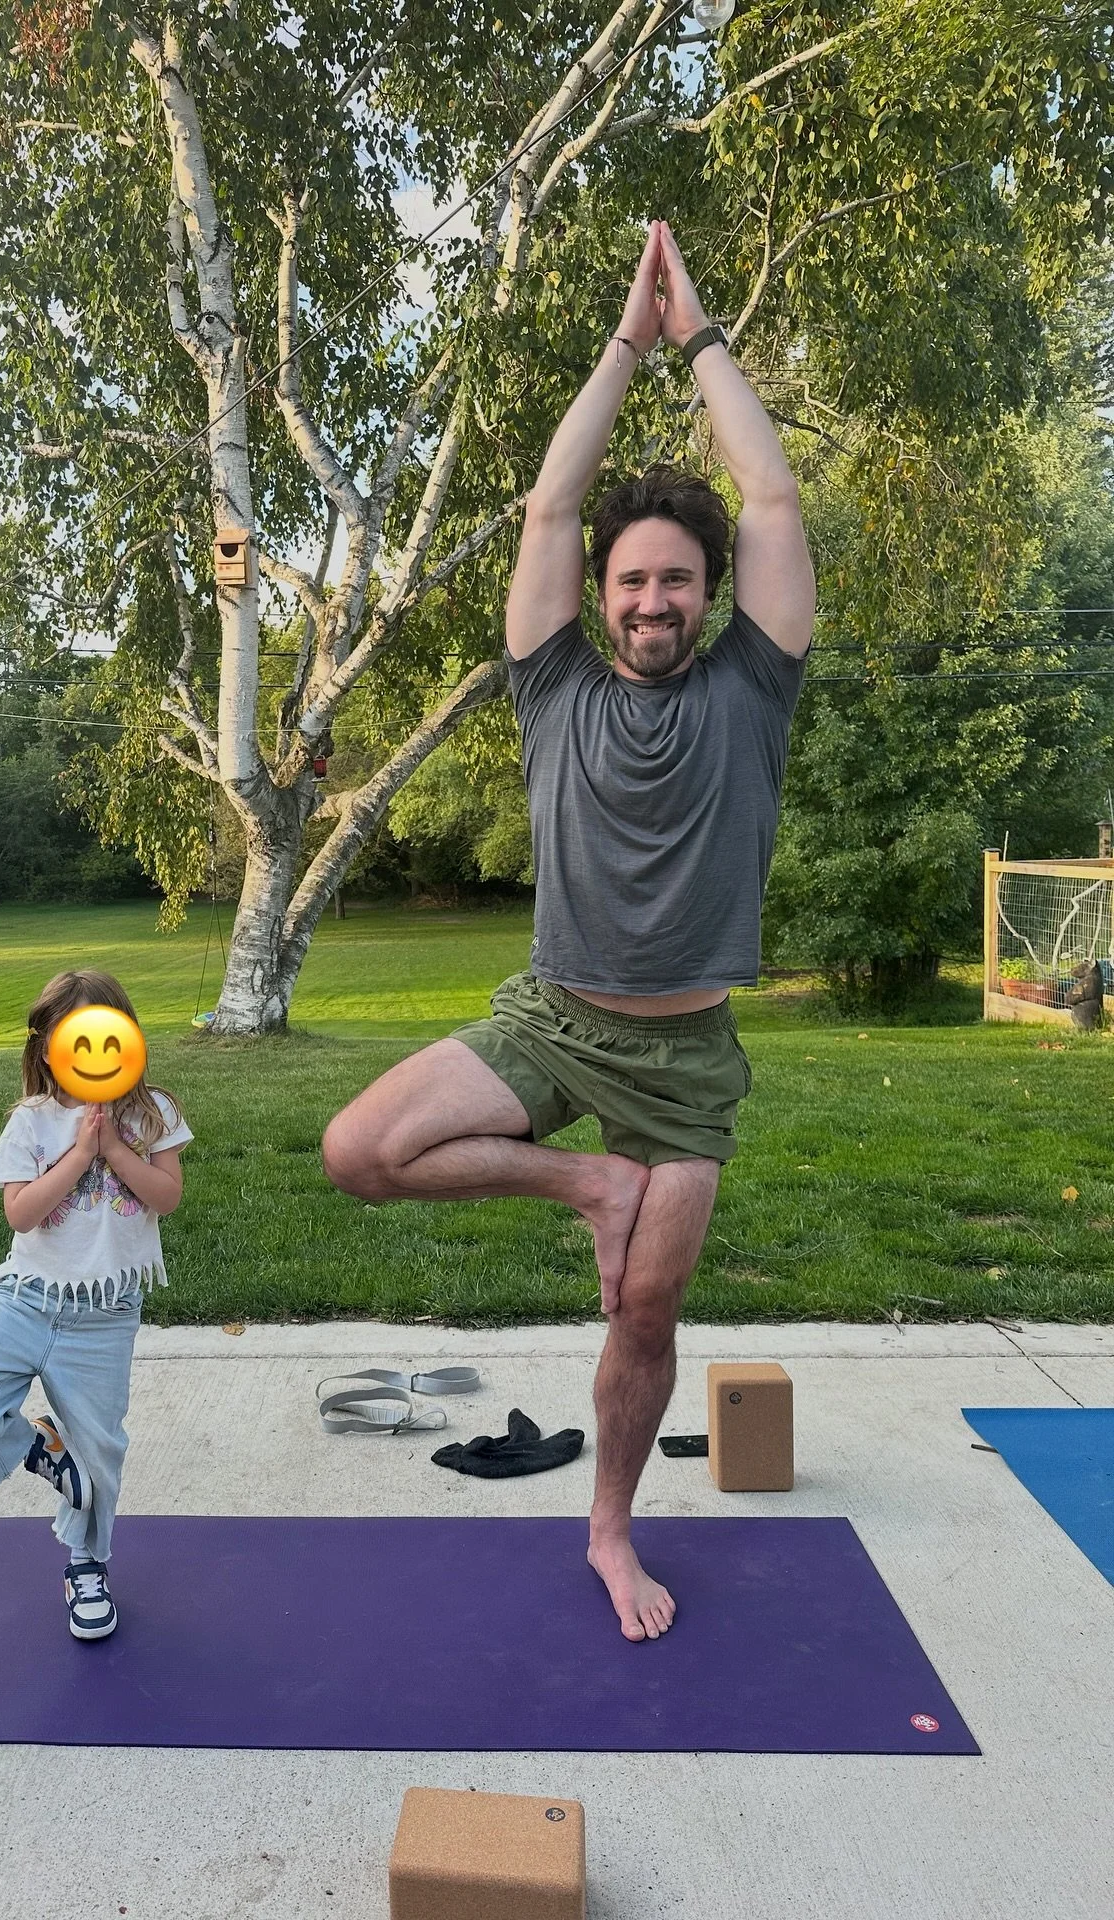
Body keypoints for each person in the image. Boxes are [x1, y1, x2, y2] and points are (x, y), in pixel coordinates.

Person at [322, 220, 815, 1642]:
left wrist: (703, 331)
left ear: (706, 597)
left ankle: (609, 1530)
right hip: (551, 1018)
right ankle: (587, 1188)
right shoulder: (552, 684)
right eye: (632, 580)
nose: (654, 599)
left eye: (677, 580)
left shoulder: (753, 691)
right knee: (362, 1151)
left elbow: (771, 500)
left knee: (645, 1324)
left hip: (686, 1065)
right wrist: (623, 339)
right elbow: (548, 509)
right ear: (600, 598)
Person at [0, 969, 192, 1640]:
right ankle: (36, 1445)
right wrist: (77, 1156)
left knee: (100, 1454)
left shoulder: (153, 1111)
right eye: (74, 1039)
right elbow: (21, 1214)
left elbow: (166, 1198)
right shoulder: (30, 1122)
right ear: (46, 1048)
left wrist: (116, 1148)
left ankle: (87, 1566)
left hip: (104, 1314)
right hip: (25, 1300)